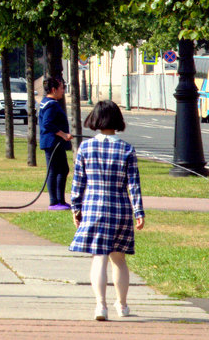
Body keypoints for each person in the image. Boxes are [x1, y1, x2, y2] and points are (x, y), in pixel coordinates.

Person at [69, 100, 144, 321]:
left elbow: (78, 183)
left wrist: (76, 208)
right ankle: (122, 305)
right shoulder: (126, 149)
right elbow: (133, 185)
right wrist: (139, 212)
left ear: (95, 120)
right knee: (119, 259)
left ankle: (100, 306)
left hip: (93, 207)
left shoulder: (86, 148)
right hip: (119, 209)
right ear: (118, 121)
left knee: (99, 257)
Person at [39, 76, 74, 210]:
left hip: (53, 143)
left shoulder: (46, 102)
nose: (63, 91)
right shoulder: (51, 105)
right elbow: (47, 124)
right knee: (55, 171)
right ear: (53, 90)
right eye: (61, 88)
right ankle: (54, 202)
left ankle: (60, 200)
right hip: (53, 143)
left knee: (62, 169)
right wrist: (63, 134)